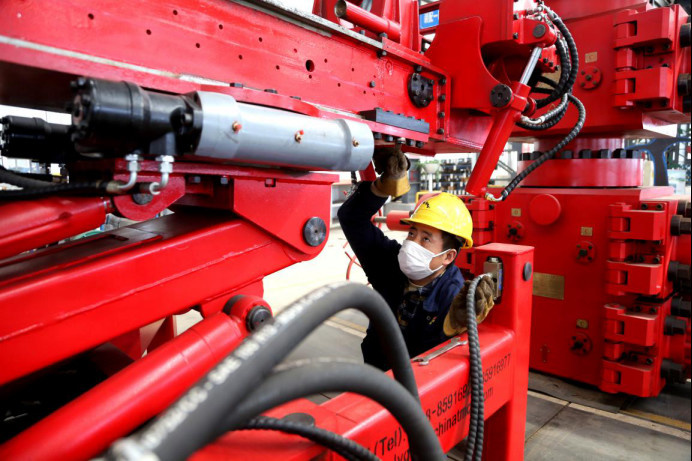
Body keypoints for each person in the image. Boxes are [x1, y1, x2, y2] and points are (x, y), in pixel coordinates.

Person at [338, 146, 495, 370]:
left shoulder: (453, 296)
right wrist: (385, 186)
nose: (412, 243)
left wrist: (453, 323)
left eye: (426, 239)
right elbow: (352, 218)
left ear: (448, 257)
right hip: (375, 375)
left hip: (419, 391)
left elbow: (438, 358)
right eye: (412, 233)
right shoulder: (390, 262)